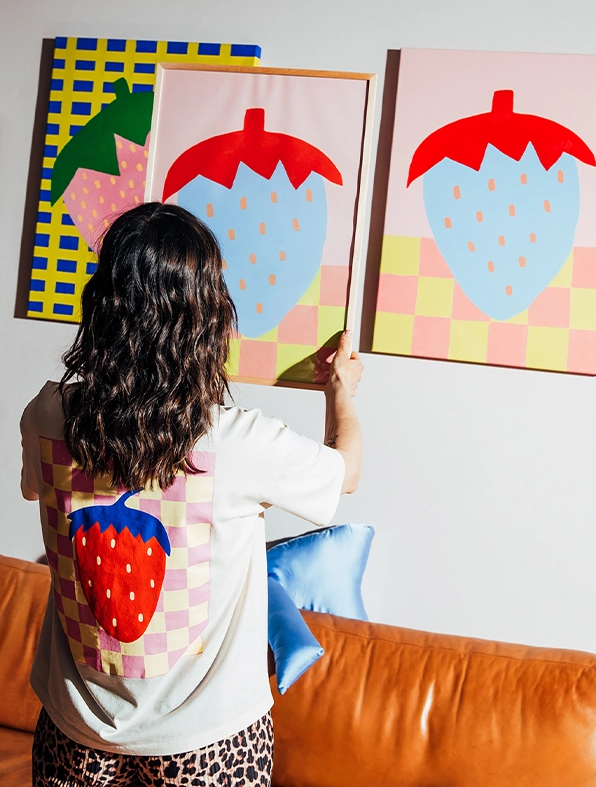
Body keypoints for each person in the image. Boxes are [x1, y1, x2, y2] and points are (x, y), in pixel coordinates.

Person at [20, 201, 363, 787]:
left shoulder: (49, 415)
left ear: (102, 305)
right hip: (207, 743)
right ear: (204, 319)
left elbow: (37, 490)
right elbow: (345, 473)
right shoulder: (237, 442)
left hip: (76, 733)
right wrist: (341, 391)